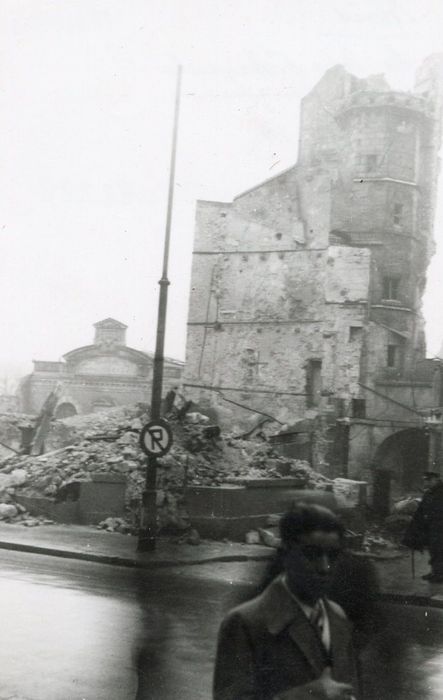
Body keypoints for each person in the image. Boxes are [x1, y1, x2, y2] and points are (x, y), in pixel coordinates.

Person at [213, 504, 359, 700]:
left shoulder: (337, 616)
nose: (325, 567)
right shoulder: (244, 623)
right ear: (286, 554)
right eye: (312, 555)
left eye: (333, 555)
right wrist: (306, 696)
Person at [403, 470, 443, 583]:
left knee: (439, 551)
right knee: (433, 550)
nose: (426, 483)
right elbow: (421, 510)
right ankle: (435, 572)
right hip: (431, 527)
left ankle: (440, 574)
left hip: (440, 527)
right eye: (425, 480)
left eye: (429, 480)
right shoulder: (428, 493)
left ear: (436, 479)